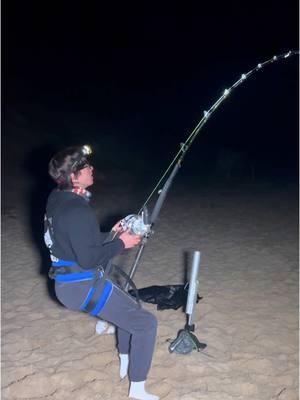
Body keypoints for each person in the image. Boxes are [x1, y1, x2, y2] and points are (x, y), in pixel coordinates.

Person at [44, 144, 159, 400]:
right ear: (74, 176)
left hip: (69, 282)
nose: (91, 168)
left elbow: (77, 241)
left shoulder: (58, 199)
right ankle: (137, 389)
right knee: (146, 324)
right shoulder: (76, 209)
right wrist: (122, 243)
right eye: (85, 166)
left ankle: (126, 362)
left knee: (131, 310)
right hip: (81, 284)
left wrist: (114, 234)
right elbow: (89, 258)